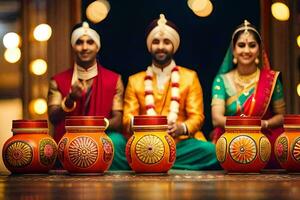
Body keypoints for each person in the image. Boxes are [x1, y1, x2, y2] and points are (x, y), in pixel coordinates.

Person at [123, 14, 219, 170]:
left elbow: (197, 116)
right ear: (149, 46)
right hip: (144, 144)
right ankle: (165, 164)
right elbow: (127, 119)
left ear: (174, 46)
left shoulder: (190, 77)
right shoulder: (135, 80)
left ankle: (154, 165)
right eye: (156, 42)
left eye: (166, 42)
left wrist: (181, 128)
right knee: (116, 147)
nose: (161, 47)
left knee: (212, 151)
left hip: (180, 145)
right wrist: (148, 126)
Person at [47, 21, 130, 170]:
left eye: (90, 42)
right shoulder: (58, 81)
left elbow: (118, 120)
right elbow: (53, 118)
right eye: (79, 42)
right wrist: (70, 99)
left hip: (101, 137)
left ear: (97, 46)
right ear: (73, 46)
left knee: (116, 141)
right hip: (69, 140)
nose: (85, 47)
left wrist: (93, 128)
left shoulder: (114, 79)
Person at [211, 20, 286, 168]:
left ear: (259, 50)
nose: (246, 50)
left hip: (263, 136)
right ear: (233, 50)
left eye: (252, 45)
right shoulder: (222, 80)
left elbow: (281, 116)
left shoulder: (271, 79)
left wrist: (264, 123)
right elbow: (216, 119)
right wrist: (243, 126)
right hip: (229, 137)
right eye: (241, 45)